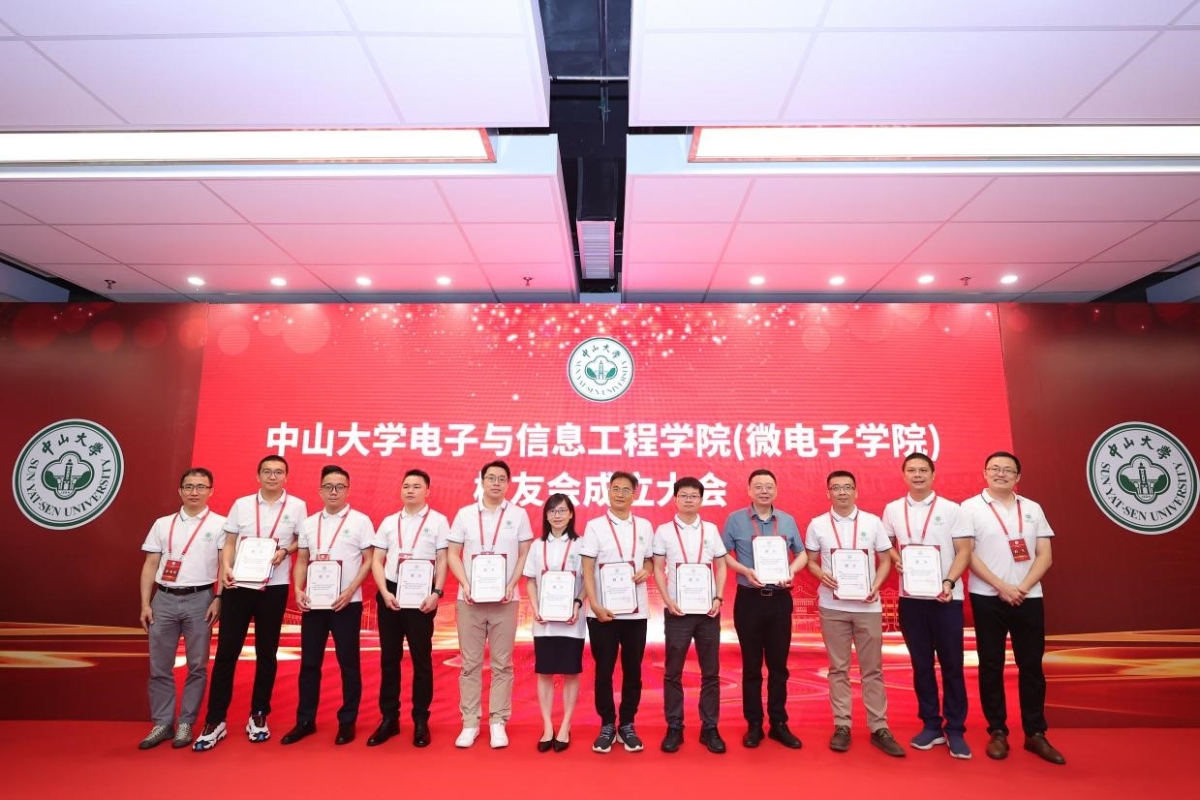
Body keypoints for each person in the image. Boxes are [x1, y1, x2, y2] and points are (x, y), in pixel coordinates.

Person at [194, 455, 307, 751]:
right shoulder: (241, 504)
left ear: (286, 477)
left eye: (278, 472)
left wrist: (286, 551)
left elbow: (302, 540)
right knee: (226, 653)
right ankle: (215, 719)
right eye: (267, 471)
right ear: (258, 476)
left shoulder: (297, 506)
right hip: (239, 585)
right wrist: (226, 569)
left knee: (266, 653)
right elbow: (229, 542)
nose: (273, 476)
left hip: (274, 586)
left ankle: (258, 714)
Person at [962, 451, 1065, 765]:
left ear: (1018, 477)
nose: (1001, 474)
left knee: (1031, 666)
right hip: (987, 596)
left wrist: (1022, 587)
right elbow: (967, 554)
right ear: (984, 473)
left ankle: (1035, 733)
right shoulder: (970, 508)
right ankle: (997, 730)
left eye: (1008, 470)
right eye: (994, 468)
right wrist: (1001, 586)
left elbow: (1045, 555)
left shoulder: (1032, 508)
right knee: (991, 665)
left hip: (1028, 597)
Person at [805, 470, 905, 757]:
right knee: (838, 669)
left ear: (856, 491)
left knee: (872, 669)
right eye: (836, 488)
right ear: (828, 493)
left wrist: (876, 585)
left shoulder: (872, 522)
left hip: (868, 606)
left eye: (847, 487)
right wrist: (820, 574)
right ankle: (842, 725)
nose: (842, 492)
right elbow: (810, 560)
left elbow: (885, 560)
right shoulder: (817, 524)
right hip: (833, 607)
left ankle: (879, 727)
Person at [881, 454, 973, 758]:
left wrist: (949, 582)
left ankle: (955, 728)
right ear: (904, 475)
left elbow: (964, 551)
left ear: (933, 475)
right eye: (912, 470)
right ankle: (931, 724)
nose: (917, 475)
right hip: (911, 600)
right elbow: (885, 546)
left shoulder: (952, 509)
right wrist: (898, 560)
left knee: (952, 665)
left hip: (946, 598)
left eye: (923, 470)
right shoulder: (893, 509)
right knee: (921, 666)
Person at [280, 465, 375, 746]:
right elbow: (302, 560)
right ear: (320, 490)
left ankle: (347, 721)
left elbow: (370, 560)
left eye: (340, 487)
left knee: (348, 664)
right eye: (328, 487)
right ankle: (305, 720)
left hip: (347, 604)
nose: (334, 491)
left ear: (348, 490)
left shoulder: (361, 521)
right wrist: (298, 589)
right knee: (310, 663)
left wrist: (350, 590)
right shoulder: (309, 523)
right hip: (314, 605)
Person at [446, 460, 533, 748]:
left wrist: (511, 585)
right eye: (491, 478)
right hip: (469, 600)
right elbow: (453, 554)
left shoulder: (518, 515)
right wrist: (465, 584)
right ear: (482, 481)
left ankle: (498, 721)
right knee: (469, 664)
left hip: (505, 600)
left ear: (508, 484)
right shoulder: (465, 514)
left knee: (502, 664)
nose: (496, 483)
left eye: (502, 479)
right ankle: (470, 723)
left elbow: (524, 554)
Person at [137, 468, 225, 750]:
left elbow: (225, 565)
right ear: (180, 491)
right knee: (159, 666)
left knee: (197, 665)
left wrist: (219, 597)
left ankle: (186, 722)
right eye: (189, 486)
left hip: (201, 598)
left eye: (201, 487)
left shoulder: (221, 524)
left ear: (211, 491)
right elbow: (150, 564)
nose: (194, 492)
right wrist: (145, 603)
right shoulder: (162, 524)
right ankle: (162, 723)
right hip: (163, 599)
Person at [720, 469, 806, 749]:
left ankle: (779, 723)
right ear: (749, 490)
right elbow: (722, 555)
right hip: (750, 600)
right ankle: (754, 724)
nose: (764, 491)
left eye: (769, 486)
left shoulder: (788, 520)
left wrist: (791, 570)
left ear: (776, 490)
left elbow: (802, 553)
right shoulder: (735, 520)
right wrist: (744, 570)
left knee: (779, 666)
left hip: (779, 599)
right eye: (758, 486)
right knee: (752, 666)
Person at [367, 468, 449, 748]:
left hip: (421, 595)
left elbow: (442, 558)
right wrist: (384, 592)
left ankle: (421, 720)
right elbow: (377, 560)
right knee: (389, 659)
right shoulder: (389, 522)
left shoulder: (438, 521)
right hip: (391, 593)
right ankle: (389, 719)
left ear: (427, 491)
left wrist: (437, 592)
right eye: (406, 486)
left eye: (416, 486)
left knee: (421, 661)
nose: (410, 490)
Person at [579, 471, 655, 754]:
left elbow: (649, 561)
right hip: (603, 613)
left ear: (635, 494)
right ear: (608, 491)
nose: (620, 494)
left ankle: (627, 724)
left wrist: (646, 571)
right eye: (615, 489)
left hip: (636, 613)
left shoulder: (644, 526)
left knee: (633, 670)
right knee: (604, 671)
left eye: (626, 490)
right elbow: (587, 568)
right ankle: (607, 724)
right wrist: (595, 605)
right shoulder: (595, 526)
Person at [653, 476, 729, 754]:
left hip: (708, 611)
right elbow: (657, 567)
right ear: (675, 499)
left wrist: (718, 597)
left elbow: (721, 566)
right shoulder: (663, 531)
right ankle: (675, 726)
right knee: (673, 672)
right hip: (678, 611)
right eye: (683, 495)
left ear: (701, 500)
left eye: (694, 496)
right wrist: (667, 600)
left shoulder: (711, 530)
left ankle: (710, 727)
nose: (688, 500)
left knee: (711, 672)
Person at [523, 494, 587, 752]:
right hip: (545, 620)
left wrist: (577, 604)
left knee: (571, 672)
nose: (557, 515)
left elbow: (587, 582)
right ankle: (548, 725)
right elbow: (530, 580)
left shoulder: (582, 544)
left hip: (572, 619)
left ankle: (565, 725)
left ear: (571, 514)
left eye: (562, 511)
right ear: (546, 516)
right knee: (545, 672)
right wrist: (535, 607)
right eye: (552, 511)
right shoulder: (537, 546)